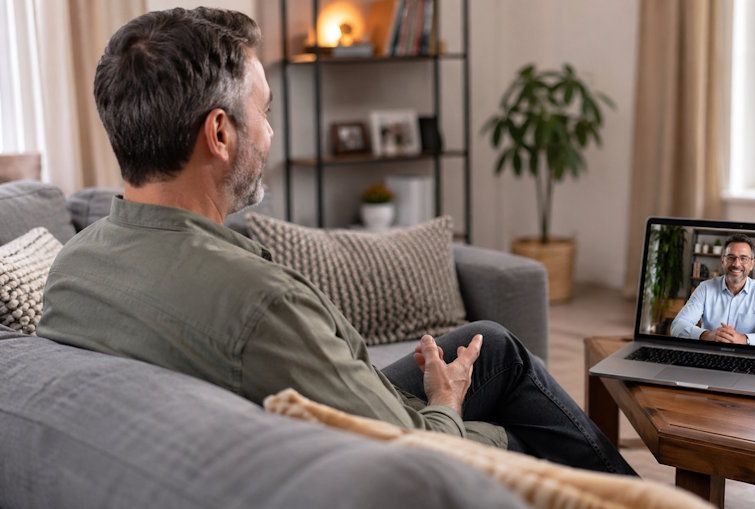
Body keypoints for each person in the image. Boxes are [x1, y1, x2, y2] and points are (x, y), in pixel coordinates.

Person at [37, 7, 634, 475]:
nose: (269, 134)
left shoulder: (75, 267)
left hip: (277, 421)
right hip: (391, 460)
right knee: (542, 438)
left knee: (494, 347)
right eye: (264, 111)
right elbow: (413, 459)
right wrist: (445, 404)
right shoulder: (260, 304)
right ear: (220, 133)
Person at [670, 234, 755, 348]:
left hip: (747, 356)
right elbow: (677, 326)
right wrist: (706, 335)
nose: (736, 264)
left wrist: (744, 339)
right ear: (722, 261)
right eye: (731, 257)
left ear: (752, 264)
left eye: (743, 258)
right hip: (710, 352)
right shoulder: (705, 288)